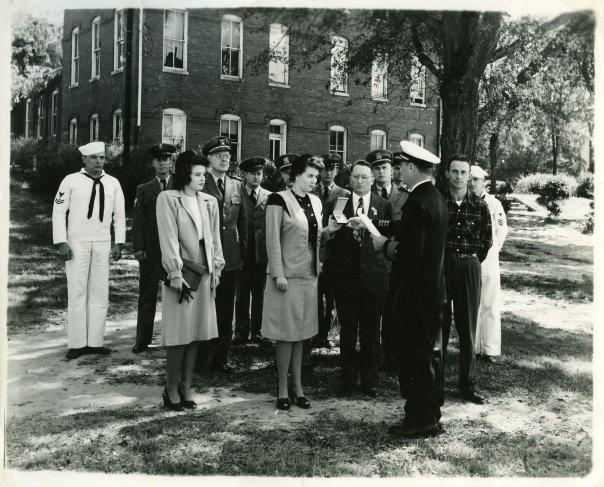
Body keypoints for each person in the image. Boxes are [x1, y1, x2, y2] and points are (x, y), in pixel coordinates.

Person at [352, 140, 447, 437]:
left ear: (409, 167)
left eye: (400, 166)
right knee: (427, 357)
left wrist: (384, 246)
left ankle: (419, 420)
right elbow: (408, 232)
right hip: (432, 291)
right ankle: (430, 413)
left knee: (415, 358)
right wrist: (373, 225)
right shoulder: (434, 197)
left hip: (416, 294)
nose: (397, 172)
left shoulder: (417, 202)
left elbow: (409, 252)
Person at [156, 150, 225, 411]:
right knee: (178, 334)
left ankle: (187, 385)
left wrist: (217, 270)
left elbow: (215, 240)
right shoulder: (168, 199)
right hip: (183, 276)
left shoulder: (209, 201)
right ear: (185, 174)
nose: (202, 179)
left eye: (204, 174)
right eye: (197, 174)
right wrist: (174, 273)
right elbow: (168, 236)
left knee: (196, 332)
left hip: (205, 274)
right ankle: (170, 387)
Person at [323, 160, 392, 397]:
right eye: (355, 177)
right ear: (349, 179)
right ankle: (348, 380)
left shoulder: (384, 205)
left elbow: (388, 240)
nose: (359, 181)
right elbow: (329, 239)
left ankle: (369, 381)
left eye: (364, 177)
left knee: (371, 332)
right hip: (346, 280)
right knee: (349, 331)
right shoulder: (337, 203)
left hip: (374, 279)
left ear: (373, 180)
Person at [52, 141, 126, 360]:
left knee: (100, 292)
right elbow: (58, 212)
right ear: (84, 159)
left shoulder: (112, 183)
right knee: (77, 292)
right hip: (77, 244)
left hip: (103, 243)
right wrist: (61, 242)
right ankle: (76, 343)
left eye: (102, 158)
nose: (99, 162)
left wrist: (118, 242)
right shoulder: (71, 181)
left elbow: (119, 215)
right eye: (94, 158)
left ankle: (95, 342)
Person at [262, 154, 325, 410]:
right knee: (285, 335)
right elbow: (272, 239)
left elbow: (314, 235)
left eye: (316, 177)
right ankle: (282, 389)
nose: (314, 181)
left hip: (309, 276)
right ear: (296, 175)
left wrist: (330, 229)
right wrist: (278, 273)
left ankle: (298, 387)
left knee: (301, 335)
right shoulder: (278, 199)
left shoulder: (317, 202)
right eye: (309, 176)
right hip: (286, 277)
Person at [442, 154, 492, 404]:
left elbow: (486, 241)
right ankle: (435, 382)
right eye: (454, 171)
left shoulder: (480, 206)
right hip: (442, 267)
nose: (459, 177)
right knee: (439, 325)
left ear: (469, 176)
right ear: (447, 174)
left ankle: (467, 385)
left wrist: (469, 263)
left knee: (467, 328)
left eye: (464, 173)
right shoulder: (440, 202)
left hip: (468, 266)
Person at [199, 135, 248, 373]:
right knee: (205, 309)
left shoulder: (237, 184)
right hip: (205, 256)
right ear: (209, 159)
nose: (224, 159)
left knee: (226, 308)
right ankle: (202, 359)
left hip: (230, 256)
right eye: (219, 156)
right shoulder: (200, 182)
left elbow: (243, 223)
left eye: (227, 156)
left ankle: (221, 359)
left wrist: (244, 253)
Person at [131, 143, 177, 354]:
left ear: (171, 161)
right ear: (152, 163)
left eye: (165, 159)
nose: (162, 163)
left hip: (175, 252)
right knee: (147, 296)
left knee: (177, 294)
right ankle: (142, 340)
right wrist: (139, 248)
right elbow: (138, 221)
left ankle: (175, 338)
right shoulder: (144, 189)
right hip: (151, 252)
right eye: (158, 159)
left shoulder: (180, 186)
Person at [367, 149, 410, 372]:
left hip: (396, 263)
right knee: (373, 313)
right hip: (373, 263)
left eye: (384, 167)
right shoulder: (366, 197)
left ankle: (391, 357)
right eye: (376, 168)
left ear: (392, 170)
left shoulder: (404, 197)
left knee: (393, 313)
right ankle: (372, 357)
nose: (381, 172)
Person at [468, 165, 508, 362]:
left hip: (489, 259)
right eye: (470, 179)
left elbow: (501, 231)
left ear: (484, 181)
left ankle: (491, 349)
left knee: (490, 303)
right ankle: (473, 347)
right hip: (470, 258)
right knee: (472, 303)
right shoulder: (465, 202)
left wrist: (491, 253)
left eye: (476, 179)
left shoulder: (493, 203)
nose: (472, 183)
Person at [311, 152, 350, 348]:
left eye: (332, 169)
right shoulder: (311, 190)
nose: (328, 173)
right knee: (315, 295)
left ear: (337, 171)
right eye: (325, 169)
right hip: (315, 250)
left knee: (332, 297)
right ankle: (316, 332)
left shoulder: (344, 194)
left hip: (334, 253)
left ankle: (330, 333)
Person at [234, 157, 272, 344]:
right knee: (241, 294)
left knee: (260, 293)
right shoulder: (237, 193)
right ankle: (241, 332)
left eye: (259, 173)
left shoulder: (269, 196)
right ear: (245, 174)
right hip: (242, 251)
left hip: (261, 253)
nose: (256, 177)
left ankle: (258, 331)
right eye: (252, 173)